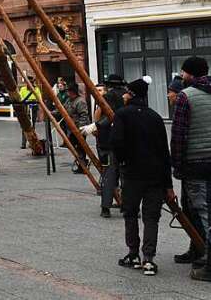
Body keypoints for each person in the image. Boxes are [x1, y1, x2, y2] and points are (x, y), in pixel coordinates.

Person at [111, 76, 175, 276]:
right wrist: (169, 185)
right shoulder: (155, 117)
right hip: (155, 175)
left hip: (131, 174)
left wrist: (122, 163)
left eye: (127, 92)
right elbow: (165, 153)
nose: (124, 95)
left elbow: (116, 144)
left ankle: (133, 254)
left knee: (130, 213)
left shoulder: (122, 115)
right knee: (151, 217)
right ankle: (149, 259)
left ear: (132, 95)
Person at [171, 56, 211, 282]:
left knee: (200, 211)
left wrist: (177, 165)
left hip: (195, 163)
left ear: (191, 74)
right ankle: (197, 249)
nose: (182, 76)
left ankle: (207, 259)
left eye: (184, 72)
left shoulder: (186, 96)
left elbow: (178, 136)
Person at [94, 75, 127, 217]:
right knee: (126, 175)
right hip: (126, 140)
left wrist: (96, 127)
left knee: (109, 175)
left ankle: (105, 207)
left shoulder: (106, 97)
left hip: (109, 140)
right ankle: (128, 205)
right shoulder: (127, 96)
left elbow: (101, 115)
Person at [65, 83, 92, 173]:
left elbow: (84, 115)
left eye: (68, 91)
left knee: (80, 146)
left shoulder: (80, 101)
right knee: (74, 146)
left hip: (79, 128)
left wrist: (80, 129)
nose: (67, 93)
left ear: (73, 92)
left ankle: (83, 164)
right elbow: (63, 109)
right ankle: (81, 162)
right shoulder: (69, 101)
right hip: (71, 128)